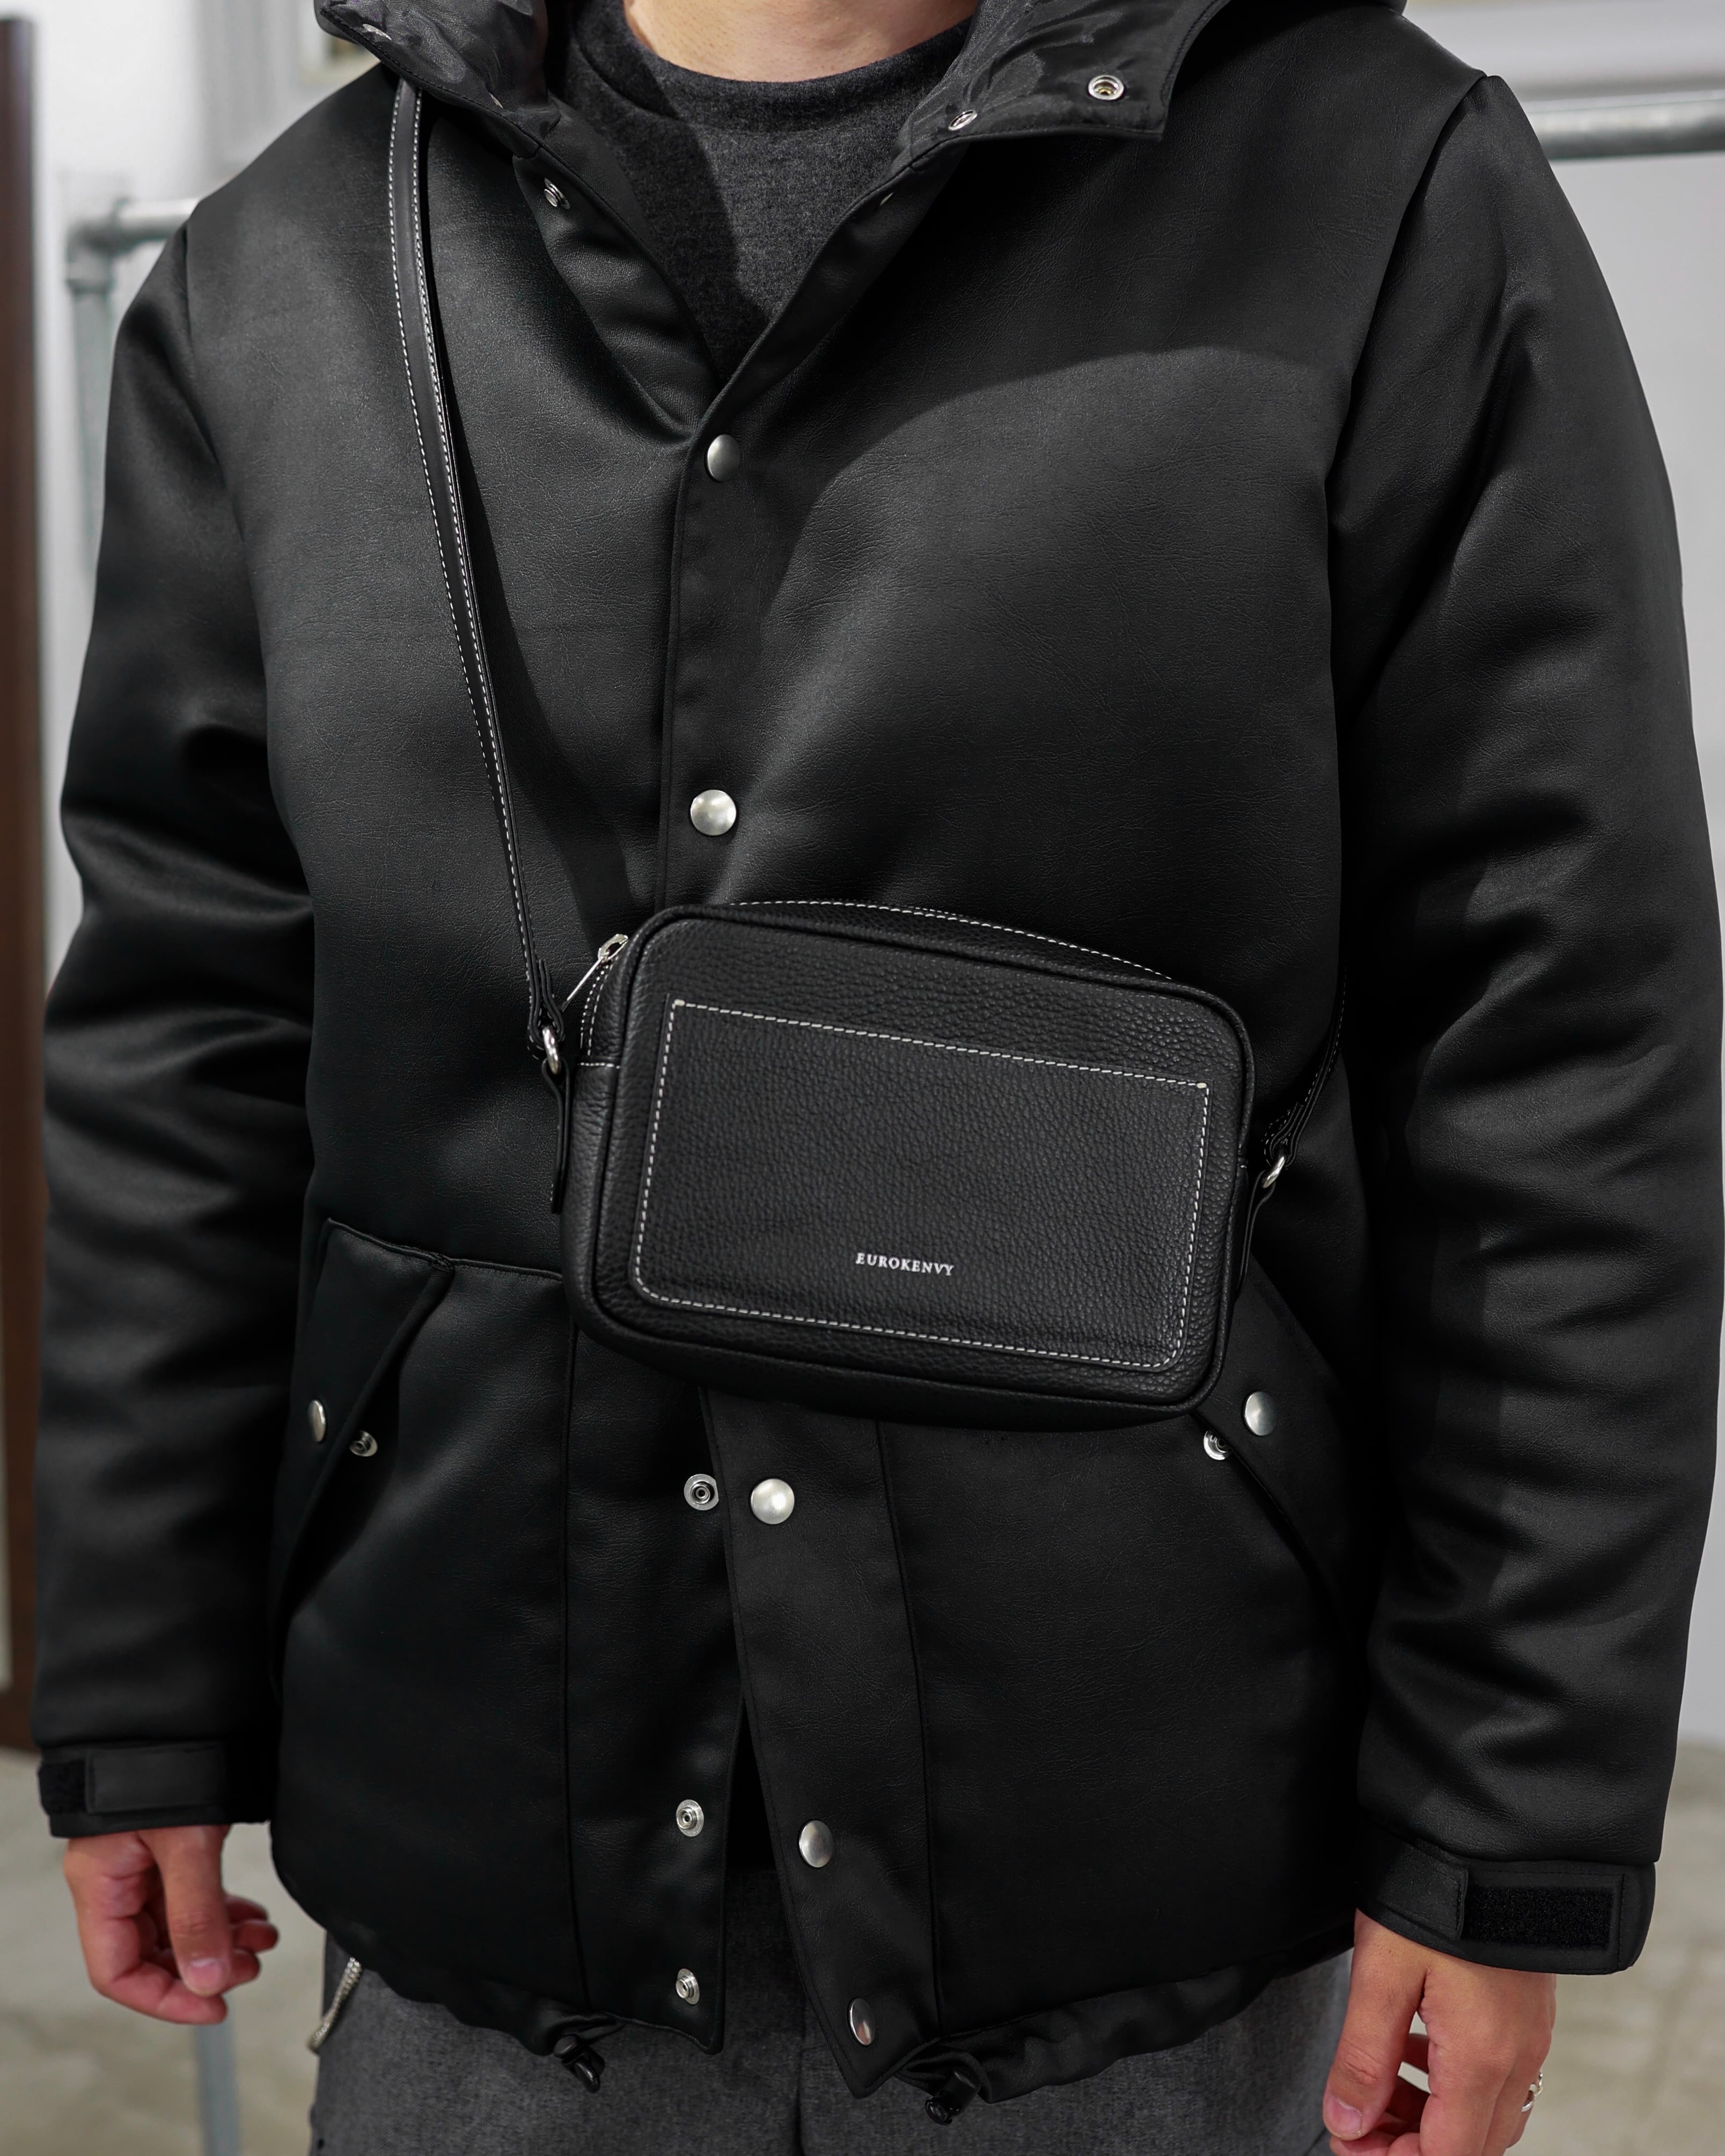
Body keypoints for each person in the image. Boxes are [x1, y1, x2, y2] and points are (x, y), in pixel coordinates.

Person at [34, 0, 1721, 2150]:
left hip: (1130, 1846)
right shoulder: (288, 266)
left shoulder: (1376, 188)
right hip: (483, 1827)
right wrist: (145, 1680)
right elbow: (192, 1039)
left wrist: (1510, 1810)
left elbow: (1558, 1041)